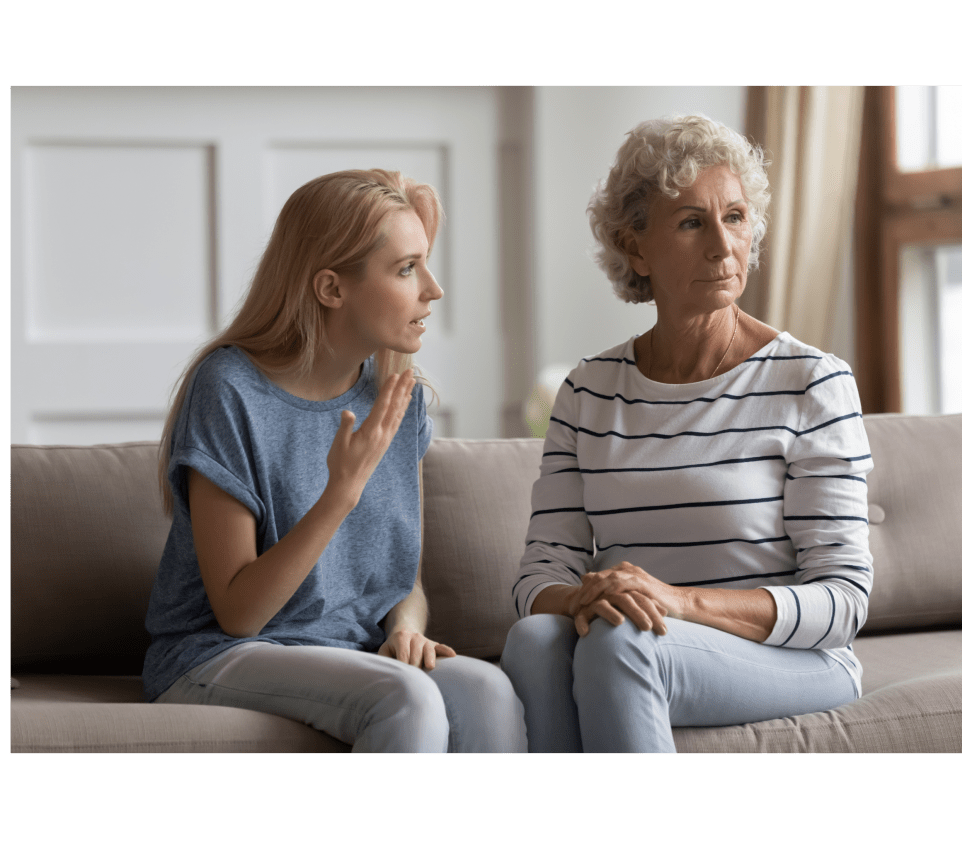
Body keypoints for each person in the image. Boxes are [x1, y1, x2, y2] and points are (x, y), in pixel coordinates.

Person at [502, 116, 872, 753]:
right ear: (636, 247)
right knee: (535, 640)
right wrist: (590, 595)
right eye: (692, 222)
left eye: (734, 217)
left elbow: (843, 601)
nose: (724, 245)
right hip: (645, 632)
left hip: (796, 658)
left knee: (623, 640)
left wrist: (675, 602)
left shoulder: (812, 380)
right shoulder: (588, 392)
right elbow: (538, 577)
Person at [142, 169, 526, 753]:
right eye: (406, 268)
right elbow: (240, 613)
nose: (433, 289)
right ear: (330, 288)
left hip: (351, 654)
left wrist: (405, 629)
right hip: (220, 654)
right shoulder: (229, 389)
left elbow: (405, 582)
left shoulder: (399, 395)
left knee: (490, 692)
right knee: (407, 696)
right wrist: (339, 493)